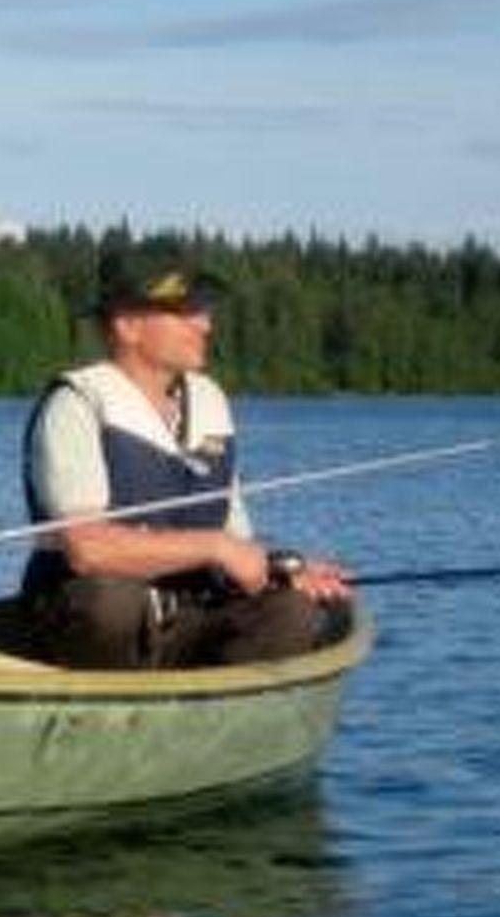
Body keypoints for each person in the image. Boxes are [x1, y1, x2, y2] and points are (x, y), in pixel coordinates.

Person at [18, 248, 350, 668]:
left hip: (189, 614)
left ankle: (214, 709)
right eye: (184, 311)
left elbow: (237, 541)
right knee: (109, 602)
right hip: (89, 625)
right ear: (128, 325)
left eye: (204, 311)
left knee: (303, 612)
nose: (205, 324)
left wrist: (283, 572)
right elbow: (89, 550)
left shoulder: (209, 403)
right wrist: (214, 547)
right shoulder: (76, 405)